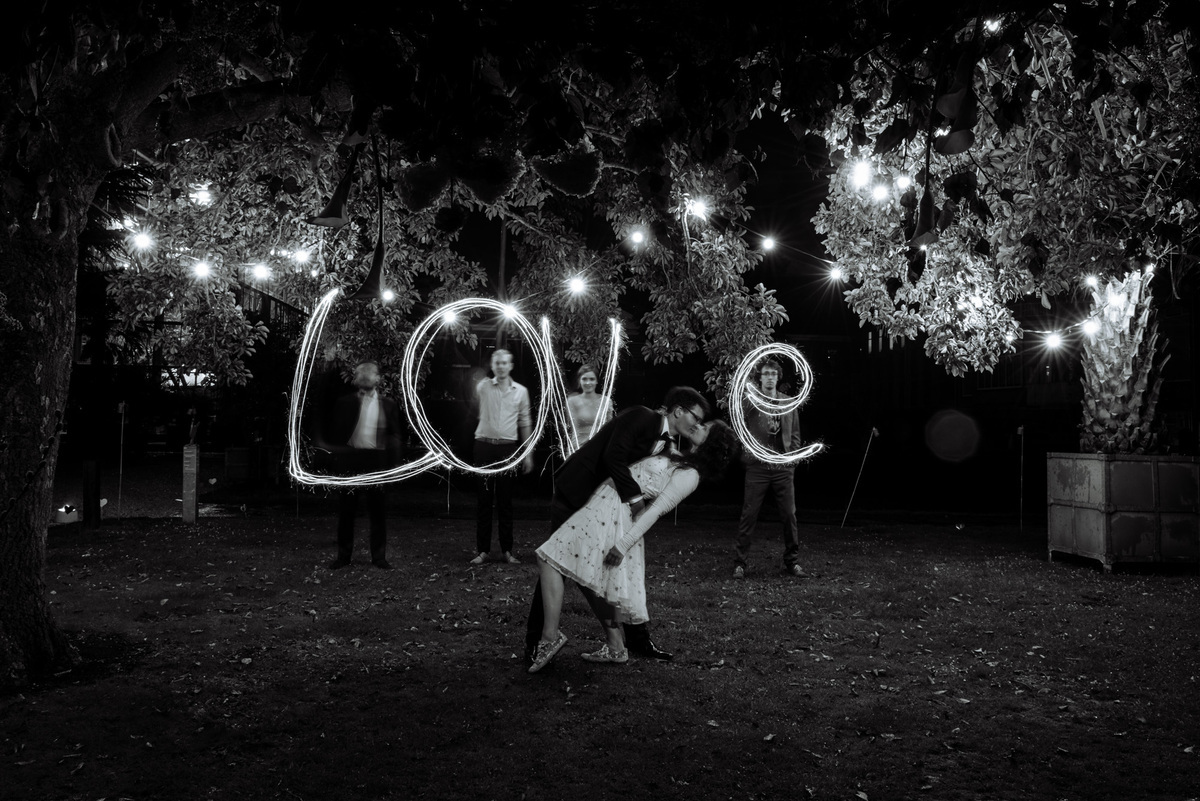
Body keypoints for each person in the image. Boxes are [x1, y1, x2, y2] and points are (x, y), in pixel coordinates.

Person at [529, 420, 738, 672]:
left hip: (613, 515)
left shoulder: (691, 476)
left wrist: (623, 545)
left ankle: (550, 638)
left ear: (711, 442)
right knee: (591, 579)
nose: (697, 425)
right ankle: (616, 646)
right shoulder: (678, 458)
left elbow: (655, 512)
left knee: (550, 558)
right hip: (605, 505)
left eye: (705, 427)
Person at [734, 358, 806, 578]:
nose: (769, 377)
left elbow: (794, 433)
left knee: (789, 515)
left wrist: (791, 458)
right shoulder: (752, 401)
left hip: (782, 468)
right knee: (749, 514)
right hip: (758, 467)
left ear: (778, 377)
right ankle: (740, 563)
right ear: (760, 377)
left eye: (773, 374)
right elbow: (740, 423)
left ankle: (792, 562)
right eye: (765, 373)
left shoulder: (788, 402)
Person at [328, 360, 403, 570]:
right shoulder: (344, 403)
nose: (366, 377)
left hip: (376, 462)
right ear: (357, 379)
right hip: (351, 461)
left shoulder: (388, 404)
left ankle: (379, 557)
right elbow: (336, 434)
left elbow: (395, 435)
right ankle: (343, 556)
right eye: (362, 374)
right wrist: (337, 461)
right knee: (346, 512)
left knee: (378, 512)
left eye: (370, 374)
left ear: (378, 379)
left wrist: (393, 467)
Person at [471, 349, 535, 565]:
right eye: (496, 362)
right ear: (492, 364)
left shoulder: (521, 392)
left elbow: (525, 421)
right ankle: (483, 551)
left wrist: (527, 454)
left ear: (511, 365)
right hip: (484, 447)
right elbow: (473, 411)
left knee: (505, 502)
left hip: (507, 450)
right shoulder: (483, 387)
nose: (500, 366)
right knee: (484, 501)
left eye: (504, 363)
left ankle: (507, 551)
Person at [566, 364, 612, 449]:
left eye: (592, 379)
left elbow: (609, 430)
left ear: (596, 381)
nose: (588, 383)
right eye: (584, 379)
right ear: (580, 381)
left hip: (600, 448)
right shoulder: (572, 401)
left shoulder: (606, 401)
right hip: (579, 448)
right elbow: (574, 431)